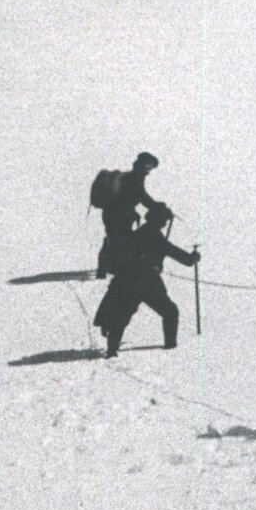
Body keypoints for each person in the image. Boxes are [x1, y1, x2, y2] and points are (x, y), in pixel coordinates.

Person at [92, 199, 199, 356]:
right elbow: (181, 257)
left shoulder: (139, 233)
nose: (165, 223)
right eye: (164, 220)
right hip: (148, 283)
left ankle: (112, 350)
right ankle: (171, 347)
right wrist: (193, 257)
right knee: (170, 312)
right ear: (159, 220)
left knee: (121, 317)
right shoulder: (155, 236)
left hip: (126, 281)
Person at [96, 151, 159, 279]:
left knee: (115, 239)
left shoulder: (132, 176)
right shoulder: (134, 178)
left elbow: (132, 198)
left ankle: (105, 267)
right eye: (148, 167)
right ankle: (108, 267)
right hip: (116, 215)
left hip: (117, 215)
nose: (149, 171)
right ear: (142, 164)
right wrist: (156, 207)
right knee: (118, 240)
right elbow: (141, 196)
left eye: (150, 168)